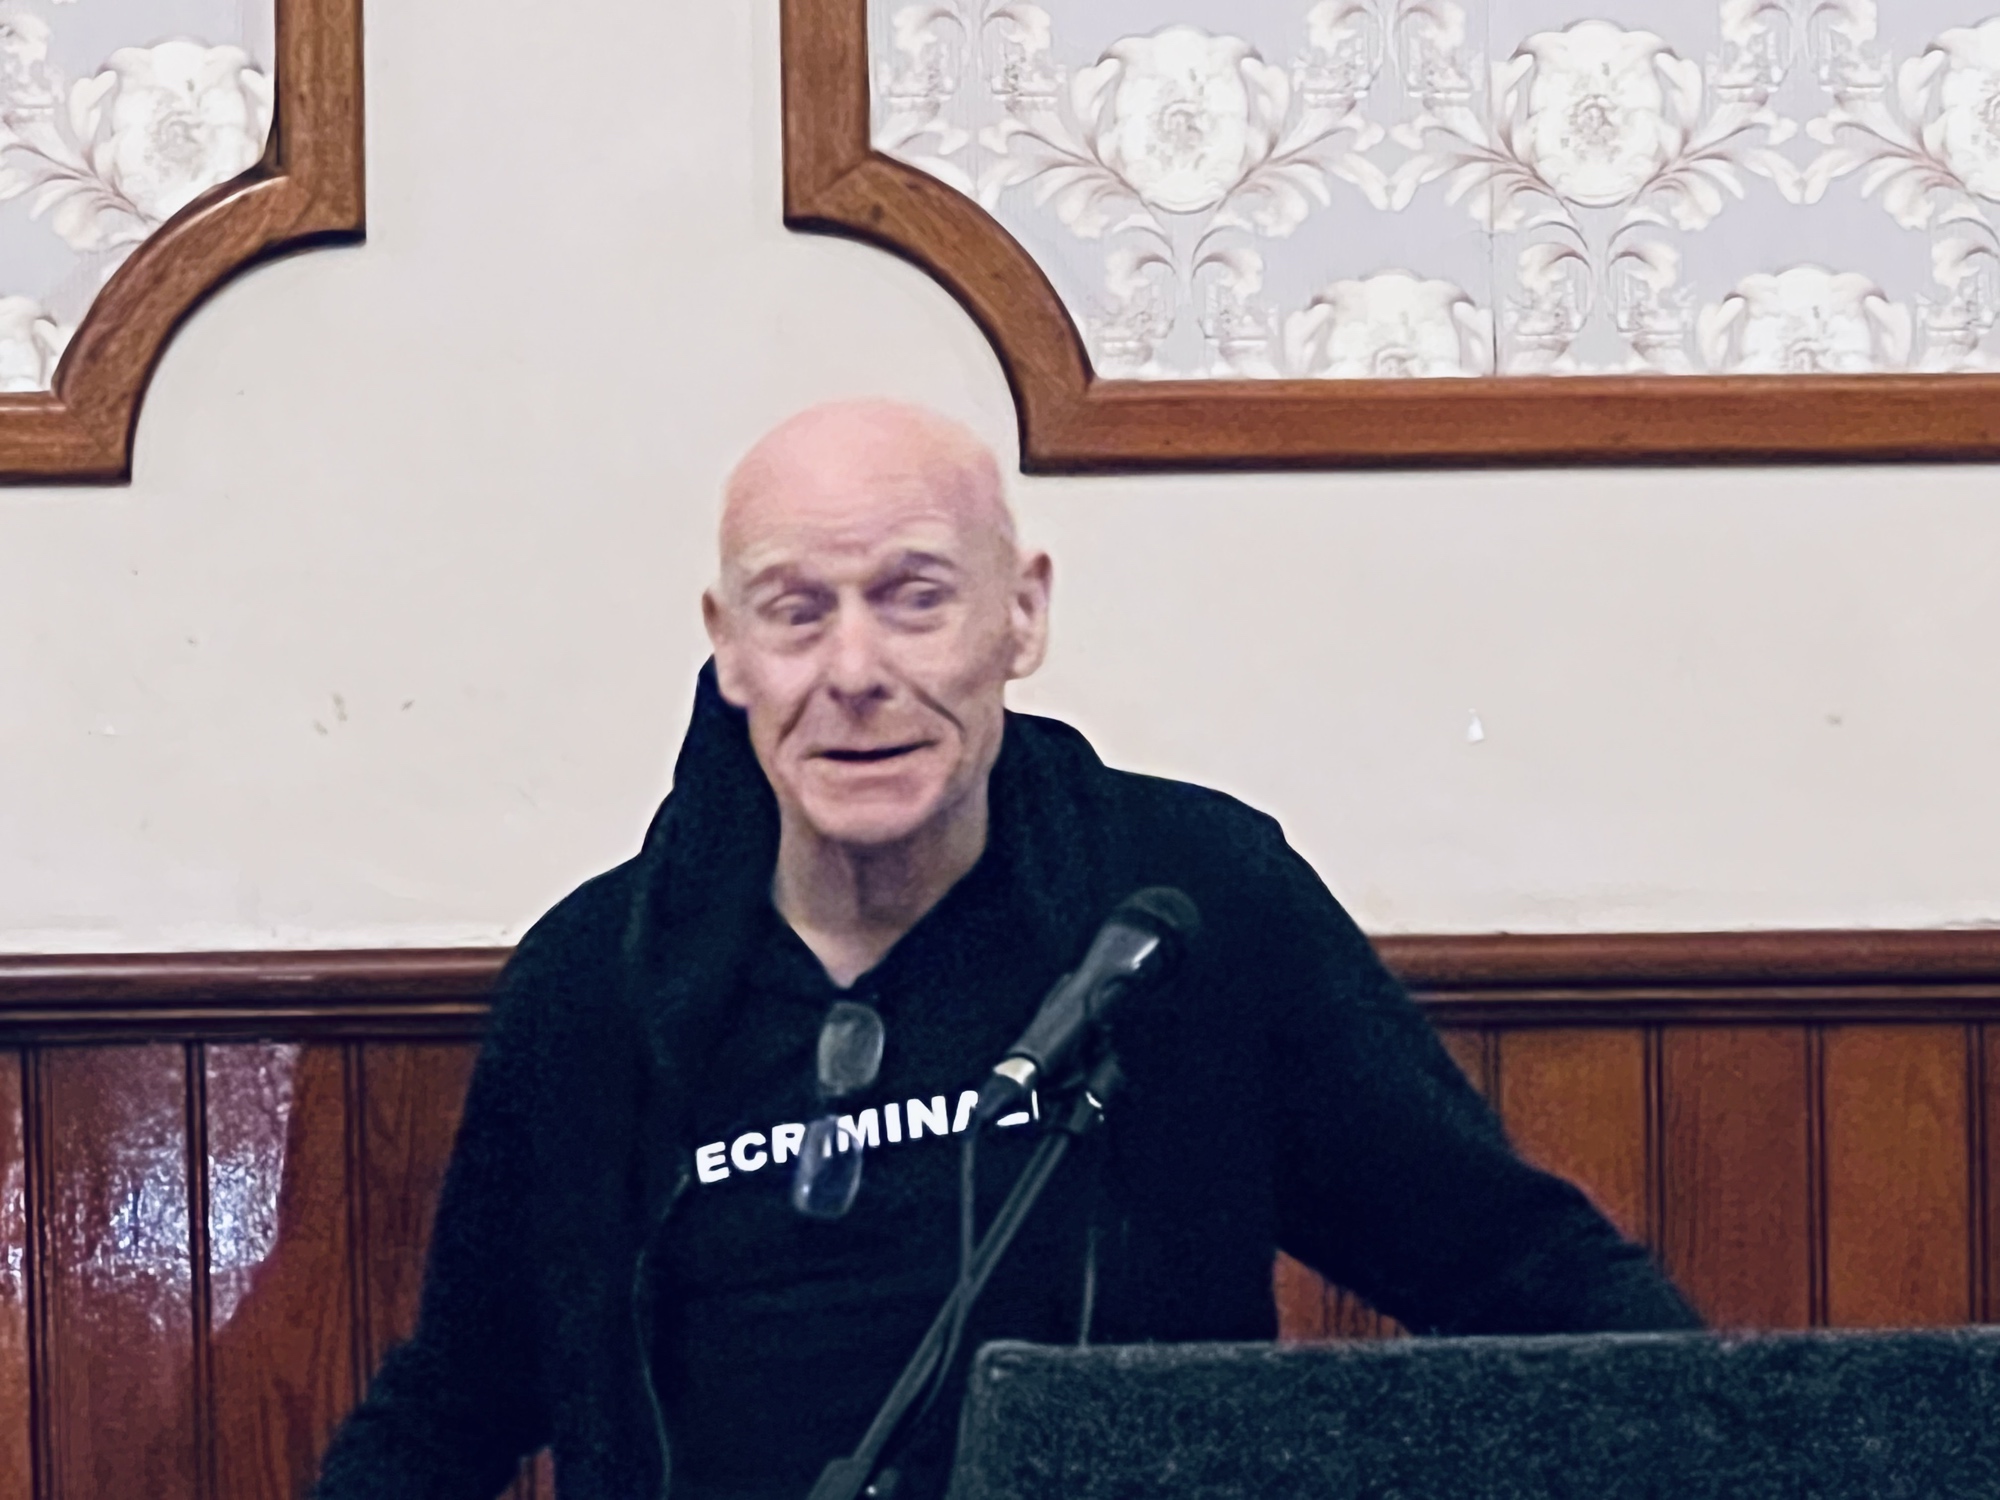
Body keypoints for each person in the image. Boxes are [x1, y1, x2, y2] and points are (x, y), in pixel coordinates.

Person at [314, 400, 1699, 1500]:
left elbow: (1512, 1267)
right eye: (797, 610)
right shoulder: (593, 983)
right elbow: (457, 1397)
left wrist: (1745, 1444)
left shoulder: (1190, 907)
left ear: (1020, 614)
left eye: (915, 597)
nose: (855, 672)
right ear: (729, 649)